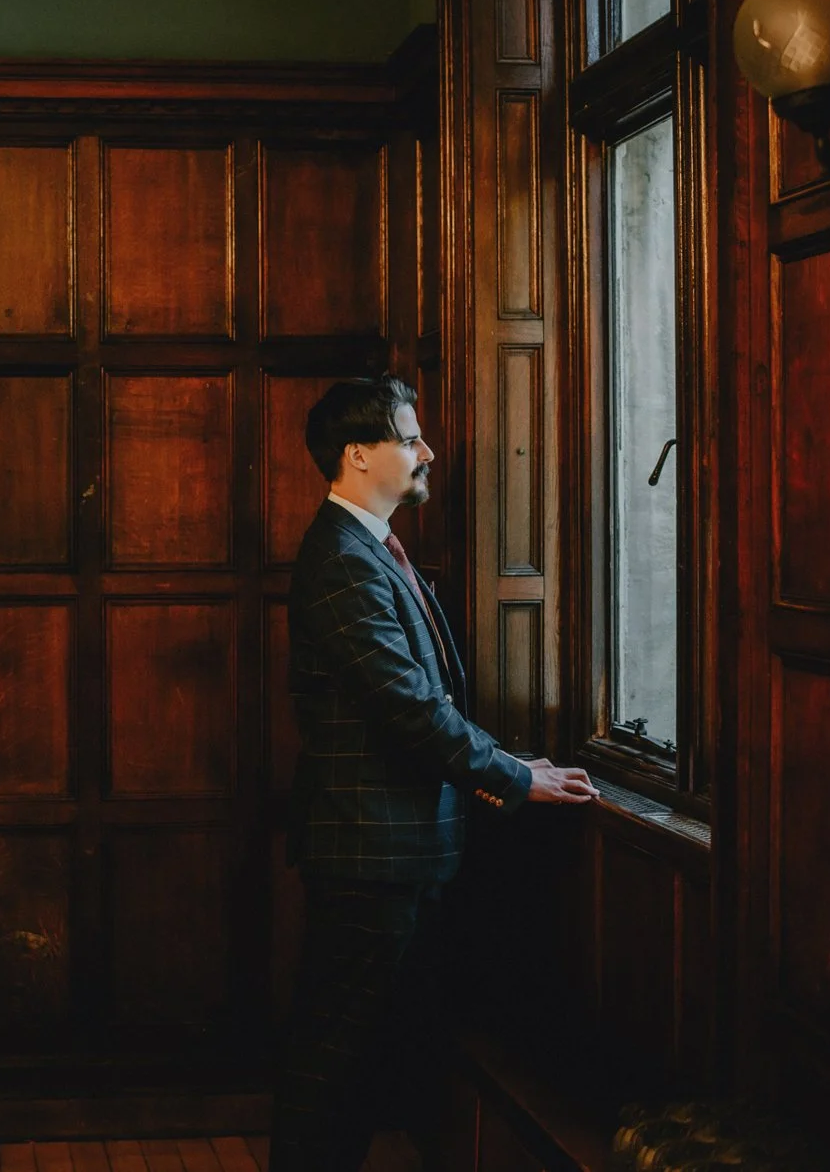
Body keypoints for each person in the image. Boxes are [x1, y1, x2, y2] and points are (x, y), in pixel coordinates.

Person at [270, 375, 598, 1172]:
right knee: (335, 1058)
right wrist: (512, 777)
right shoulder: (344, 560)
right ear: (358, 454)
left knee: (358, 1057)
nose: (429, 451)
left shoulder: (368, 546)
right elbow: (411, 707)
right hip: (370, 853)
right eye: (409, 437)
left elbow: (424, 698)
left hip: (394, 850)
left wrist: (508, 763)